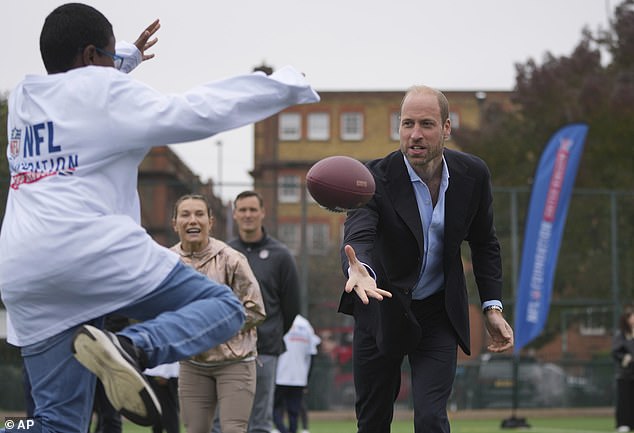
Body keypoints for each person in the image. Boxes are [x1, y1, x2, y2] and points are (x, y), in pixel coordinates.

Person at [0, 4, 319, 433]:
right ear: (93, 56)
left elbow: (77, 85)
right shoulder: (105, 92)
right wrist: (283, 87)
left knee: (55, 424)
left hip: (23, 272)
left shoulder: (24, 99)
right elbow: (193, 111)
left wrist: (124, 56)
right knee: (223, 307)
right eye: (110, 60)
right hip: (88, 251)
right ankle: (129, 347)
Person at [339, 85, 514, 433]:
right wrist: (361, 269)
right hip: (381, 306)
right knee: (372, 422)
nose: (415, 135)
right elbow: (360, 231)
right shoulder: (374, 177)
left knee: (432, 418)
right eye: (407, 124)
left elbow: (484, 243)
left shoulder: (473, 176)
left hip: (437, 313)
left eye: (426, 124)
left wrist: (492, 307)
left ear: (446, 128)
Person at [170, 194, 265, 433]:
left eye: (199, 214)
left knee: (233, 429)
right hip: (193, 362)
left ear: (210, 222)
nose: (193, 220)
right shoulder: (165, 261)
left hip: (235, 361)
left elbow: (256, 310)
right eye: (185, 215)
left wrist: (212, 327)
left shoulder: (231, 259)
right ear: (175, 223)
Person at [227, 190, 302, 433]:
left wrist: (271, 332)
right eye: (243, 210)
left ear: (262, 213)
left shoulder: (281, 255)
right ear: (235, 214)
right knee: (225, 420)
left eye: (252, 210)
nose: (248, 215)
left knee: (259, 421)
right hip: (227, 350)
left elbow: (291, 307)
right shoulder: (224, 253)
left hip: (265, 350)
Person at [272, 315, 321, 433]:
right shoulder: (306, 325)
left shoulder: (279, 320)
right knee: (294, 412)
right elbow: (312, 352)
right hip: (300, 377)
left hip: (280, 375)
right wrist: (306, 380)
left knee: (274, 409)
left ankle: (282, 430)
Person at [612, 308, 634, 432]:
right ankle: (623, 423)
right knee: (625, 399)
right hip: (625, 374)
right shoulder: (621, 335)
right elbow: (616, 352)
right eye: (632, 317)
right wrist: (625, 358)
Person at [144, 362, 180, 433]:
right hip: (153, 373)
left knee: (169, 413)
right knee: (156, 412)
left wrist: (163, 373)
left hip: (162, 374)